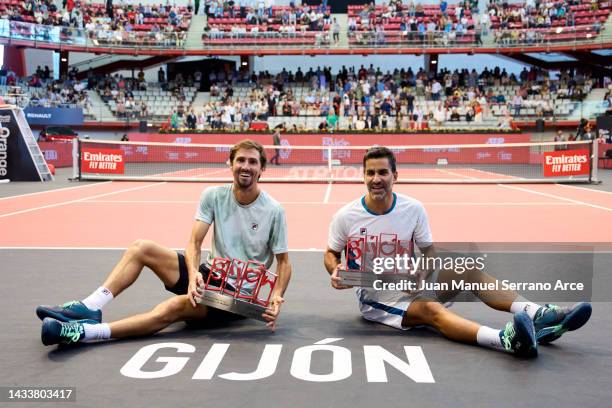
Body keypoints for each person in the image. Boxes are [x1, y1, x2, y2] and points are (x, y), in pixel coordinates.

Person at [324, 146, 591, 358]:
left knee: (467, 269)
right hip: (377, 295)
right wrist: (335, 270)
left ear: (395, 175)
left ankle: (537, 315)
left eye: (382, 172)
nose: (376, 179)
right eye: (370, 173)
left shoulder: (413, 208)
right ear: (363, 176)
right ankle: (506, 340)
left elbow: (428, 252)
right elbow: (330, 254)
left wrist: (423, 271)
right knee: (431, 309)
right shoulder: (346, 216)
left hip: (410, 281)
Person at [37, 140, 292, 345]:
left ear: (262, 169)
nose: (245, 166)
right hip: (209, 275)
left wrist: (276, 296)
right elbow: (194, 242)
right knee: (141, 247)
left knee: (172, 307)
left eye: (252, 162)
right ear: (230, 164)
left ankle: (82, 333)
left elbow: (284, 263)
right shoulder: (213, 195)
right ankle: (91, 307)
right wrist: (193, 275)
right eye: (240, 160)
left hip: (235, 297)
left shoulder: (273, 210)